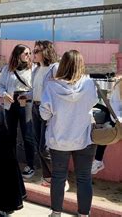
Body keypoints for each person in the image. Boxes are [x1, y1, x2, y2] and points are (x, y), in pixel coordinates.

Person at [40, 50, 98, 217]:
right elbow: (93, 103)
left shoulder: (51, 86)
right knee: (84, 178)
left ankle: (56, 213)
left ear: (62, 64)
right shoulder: (89, 84)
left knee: (58, 177)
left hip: (59, 139)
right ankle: (84, 214)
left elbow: (44, 114)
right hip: (84, 138)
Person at [0, 44, 36, 179]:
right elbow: (0, 85)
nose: (28, 56)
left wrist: (27, 95)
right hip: (11, 102)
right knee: (11, 134)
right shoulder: (8, 69)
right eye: (25, 53)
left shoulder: (33, 68)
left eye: (29, 53)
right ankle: (11, 163)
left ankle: (31, 165)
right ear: (18, 54)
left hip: (26, 101)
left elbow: (36, 87)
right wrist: (4, 94)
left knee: (27, 134)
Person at [26, 41, 59, 186]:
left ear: (45, 52)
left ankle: (58, 178)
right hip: (35, 107)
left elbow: (59, 89)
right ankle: (48, 178)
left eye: (36, 51)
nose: (34, 54)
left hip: (48, 111)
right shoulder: (36, 70)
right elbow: (35, 91)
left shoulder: (54, 68)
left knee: (44, 147)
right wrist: (25, 96)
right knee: (38, 144)